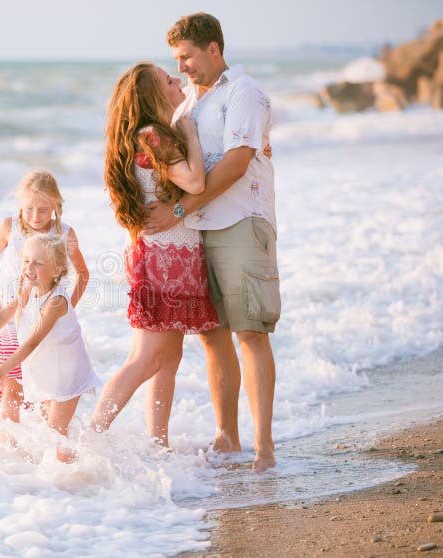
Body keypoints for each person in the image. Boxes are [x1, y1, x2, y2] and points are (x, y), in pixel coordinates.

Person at [144, 13, 280, 471]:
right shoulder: (189, 108)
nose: (181, 67)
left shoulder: (244, 93)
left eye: (186, 57)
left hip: (243, 222)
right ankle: (227, 438)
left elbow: (239, 162)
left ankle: (263, 449)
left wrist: (179, 208)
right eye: (176, 60)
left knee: (250, 332)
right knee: (212, 336)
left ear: (213, 50)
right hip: (201, 233)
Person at [89, 62, 220, 447]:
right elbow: (195, 181)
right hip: (164, 261)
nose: (177, 80)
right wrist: (190, 131)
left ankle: (157, 443)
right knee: (146, 358)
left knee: (169, 358)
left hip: (173, 257)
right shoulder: (153, 136)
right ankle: (89, 438)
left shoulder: (149, 135)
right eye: (168, 80)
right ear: (154, 96)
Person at [0, 233, 101, 463]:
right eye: (26, 261)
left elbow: (32, 340)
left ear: (56, 271)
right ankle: (67, 468)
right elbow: (6, 314)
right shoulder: (28, 288)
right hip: (45, 369)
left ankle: (73, 481)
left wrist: (2, 370)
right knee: (50, 428)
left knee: (56, 434)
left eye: (38, 263)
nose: (29, 267)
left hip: (67, 374)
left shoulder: (56, 302)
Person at [0, 171, 89, 432]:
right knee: (12, 386)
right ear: (19, 206)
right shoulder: (8, 228)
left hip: (43, 318)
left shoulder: (65, 232)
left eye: (43, 209)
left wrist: (65, 309)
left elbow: (83, 273)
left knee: (45, 386)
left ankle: (46, 445)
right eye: (29, 209)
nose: (35, 216)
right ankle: (10, 449)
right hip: (10, 317)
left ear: (56, 207)